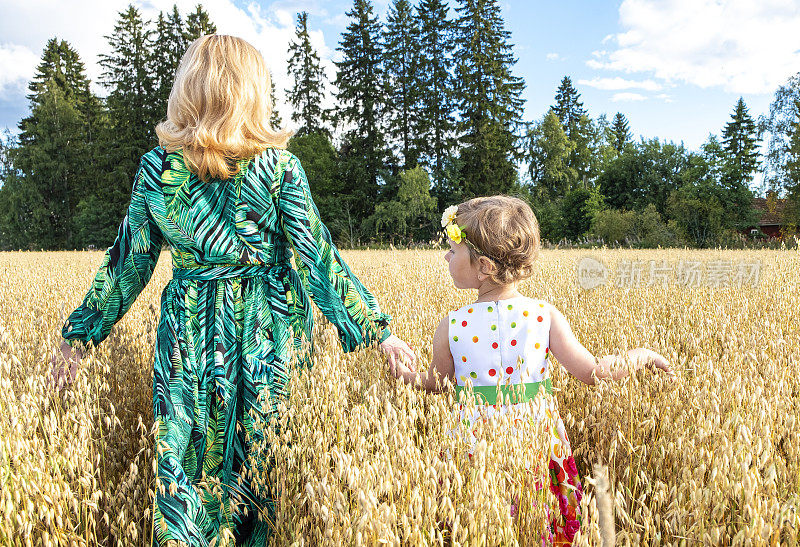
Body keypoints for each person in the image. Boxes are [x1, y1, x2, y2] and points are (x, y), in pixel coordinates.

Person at [49, 34, 417, 546]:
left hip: (189, 342)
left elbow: (125, 267)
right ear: (252, 92)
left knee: (185, 470)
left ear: (188, 90)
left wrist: (78, 337)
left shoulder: (158, 170)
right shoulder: (280, 167)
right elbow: (318, 262)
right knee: (266, 472)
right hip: (271, 336)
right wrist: (379, 332)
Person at [390, 196, 674, 545]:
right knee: (539, 519)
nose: (446, 257)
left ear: (483, 266)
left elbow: (438, 382)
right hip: (536, 438)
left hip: (474, 441)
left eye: (452, 250)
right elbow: (595, 372)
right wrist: (640, 355)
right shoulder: (543, 315)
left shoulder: (451, 324)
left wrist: (405, 376)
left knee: (479, 521)